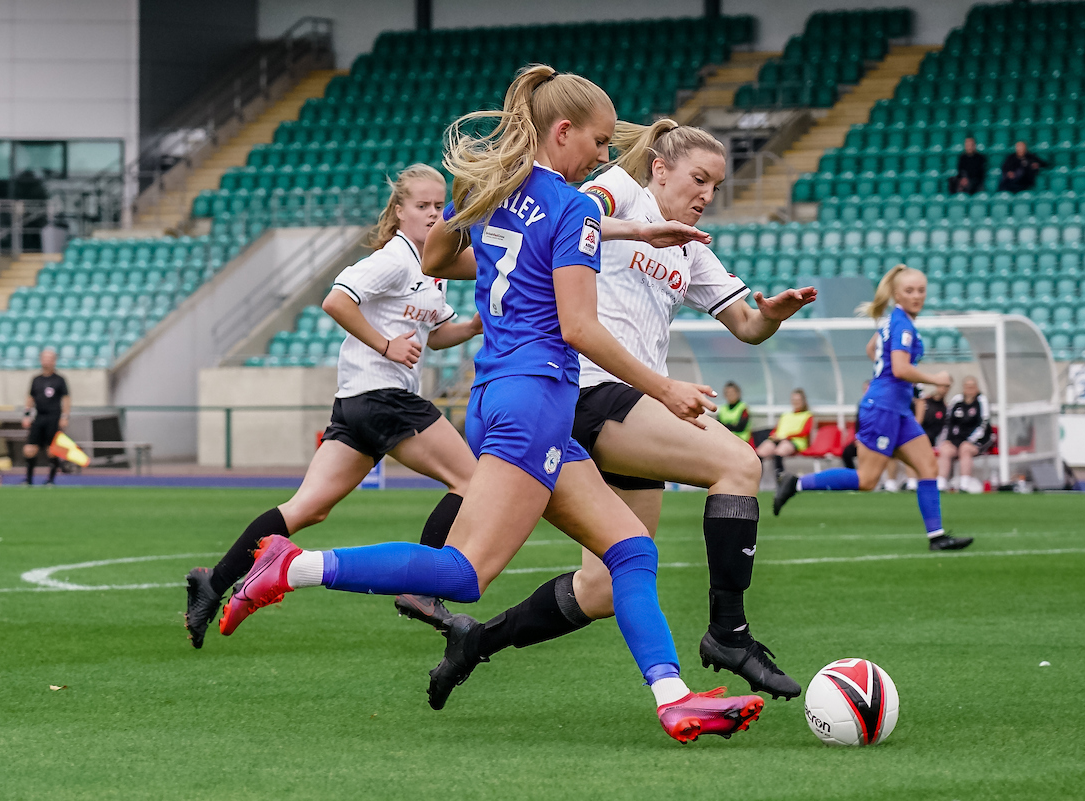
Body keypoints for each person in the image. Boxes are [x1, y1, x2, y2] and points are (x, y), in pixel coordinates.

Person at [219, 66, 766, 743]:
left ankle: (674, 695)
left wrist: (626, 233)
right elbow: (580, 328)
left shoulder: (499, 195)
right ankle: (291, 564)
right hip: (536, 399)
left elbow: (440, 255)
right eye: (598, 141)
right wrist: (666, 388)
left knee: (629, 549)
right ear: (562, 131)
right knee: (464, 572)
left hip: (498, 395)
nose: (604, 155)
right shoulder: (570, 207)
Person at [409, 120, 817, 709]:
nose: (706, 194)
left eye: (716, 186)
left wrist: (774, 314)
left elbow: (748, 326)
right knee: (738, 464)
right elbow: (581, 211)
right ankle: (728, 633)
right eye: (697, 179)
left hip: (629, 409)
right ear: (659, 168)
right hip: (590, 389)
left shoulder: (692, 249)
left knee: (602, 587)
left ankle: (475, 644)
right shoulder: (621, 192)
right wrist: (637, 229)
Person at [182, 165, 483, 648]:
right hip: (384, 397)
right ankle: (421, 590)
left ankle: (211, 585)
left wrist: (470, 328)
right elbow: (336, 300)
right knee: (471, 481)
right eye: (422, 206)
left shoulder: (431, 268)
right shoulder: (395, 259)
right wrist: (386, 346)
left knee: (308, 508)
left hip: (357, 405)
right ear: (399, 211)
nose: (432, 214)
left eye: (437, 206)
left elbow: (436, 334)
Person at [773, 265, 974, 552]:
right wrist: (935, 379)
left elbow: (873, 350)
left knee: (928, 466)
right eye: (909, 291)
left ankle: (937, 536)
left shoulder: (895, 320)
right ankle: (796, 484)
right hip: (883, 408)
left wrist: (889, 377)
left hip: (897, 409)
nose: (917, 296)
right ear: (896, 294)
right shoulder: (902, 324)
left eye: (921, 290)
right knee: (867, 480)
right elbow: (901, 368)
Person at [20, 348, 69, 485]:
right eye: (44, 358)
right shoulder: (36, 379)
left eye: (49, 358)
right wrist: (26, 414)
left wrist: (65, 416)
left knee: (51, 449)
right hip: (39, 416)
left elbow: (66, 399)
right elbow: (30, 397)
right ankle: (28, 480)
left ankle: (50, 481)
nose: (46, 361)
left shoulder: (59, 380)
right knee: (29, 448)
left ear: (54, 361)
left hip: (53, 417)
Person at [937, 376, 993, 494]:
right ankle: (941, 484)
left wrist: (970, 440)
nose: (969, 389)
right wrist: (947, 440)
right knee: (945, 450)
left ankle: (964, 485)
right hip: (957, 439)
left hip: (977, 441)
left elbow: (983, 423)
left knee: (965, 449)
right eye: (967, 386)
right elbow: (948, 422)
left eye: (972, 386)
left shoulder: (981, 401)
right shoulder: (957, 401)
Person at [755, 389, 814, 480]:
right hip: (779, 439)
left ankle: (780, 478)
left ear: (803, 401)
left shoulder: (807, 415)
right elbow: (776, 429)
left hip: (794, 441)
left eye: (798, 400)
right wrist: (773, 436)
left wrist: (787, 436)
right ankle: (757, 478)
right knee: (761, 451)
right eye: (794, 400)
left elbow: (805, 432)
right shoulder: (785, 415)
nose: (796, 402)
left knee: (779, 451)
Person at [911, 378, 951, 491]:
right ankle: (911, 482)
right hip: (920, 438)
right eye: (941, 386)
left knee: (943, 451)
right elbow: (917, 421)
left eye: (946, 387)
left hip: (935, 442)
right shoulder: (924, 401)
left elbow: (946, 429)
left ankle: (938, 482)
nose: (943, 389)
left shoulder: (946, 408)